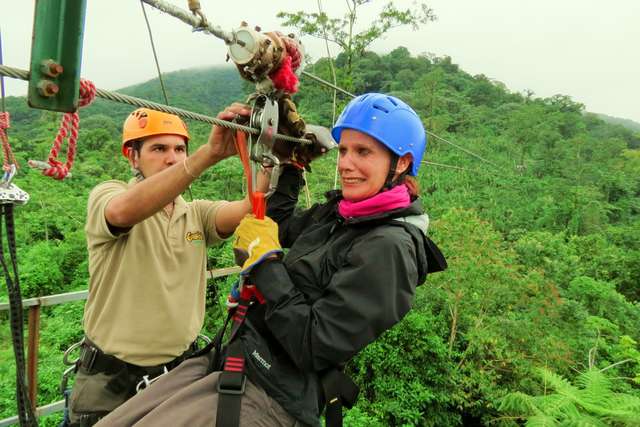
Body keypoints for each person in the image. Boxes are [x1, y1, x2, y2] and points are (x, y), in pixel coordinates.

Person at [97, 93, 447, 427]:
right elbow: (277, 226)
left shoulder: (391, 248)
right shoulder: (340, 214)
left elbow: (316, 343)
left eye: (363, 152)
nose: (345, 164)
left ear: (400, 163)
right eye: (344, 150)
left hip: (271, 394)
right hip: (236, 356)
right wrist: (292, 166)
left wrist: (265, 263)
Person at [67, 105, 266, 426]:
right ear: (133, 157)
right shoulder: (108, 195)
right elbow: (120, 214)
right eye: (159, 149)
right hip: (110, 381)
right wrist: (206, 155)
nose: (172, 158)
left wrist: (268, 157)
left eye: (179, 149)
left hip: (178, 375)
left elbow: (250, 207)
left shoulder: (196, 213)